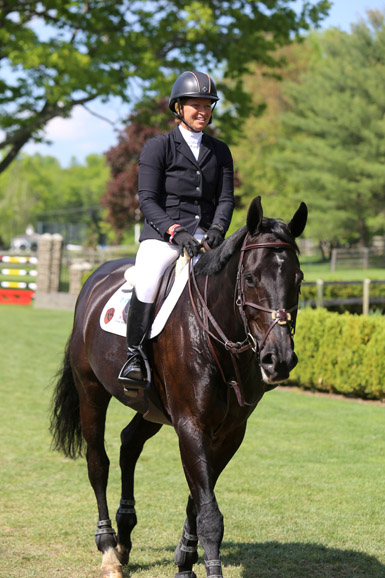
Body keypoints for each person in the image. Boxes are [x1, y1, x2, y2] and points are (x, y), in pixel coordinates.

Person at [119, 70, 235, 391]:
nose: (202, 111)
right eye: (195, 105)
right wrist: (176, 232)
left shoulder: (220, 151)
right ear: (178, 109)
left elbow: (225, 199)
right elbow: (147, 200)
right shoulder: (159, 147)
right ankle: (135, 356)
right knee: (149, 279)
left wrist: (216, 231)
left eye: (208, 105)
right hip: (164, 238)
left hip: (206, 240)